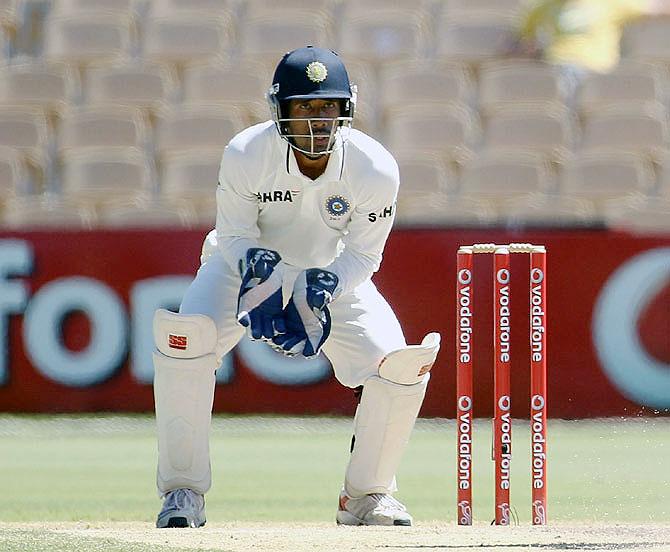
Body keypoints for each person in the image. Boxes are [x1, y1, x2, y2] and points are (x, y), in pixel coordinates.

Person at [152, 46, 441, 528]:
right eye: (303, 108)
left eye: (326, 108)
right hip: (239, 266)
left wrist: (325, 285)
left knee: (400, 365)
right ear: (279, 109)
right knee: (187, 343)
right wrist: (257, 274)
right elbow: (235, 236)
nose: (316, 122)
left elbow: (365, 255)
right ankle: (182, 493)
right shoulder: (247, 152)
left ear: (346, 109)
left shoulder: (375, 166)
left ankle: (367, 496)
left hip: (329, 273)